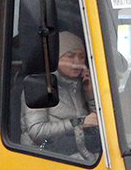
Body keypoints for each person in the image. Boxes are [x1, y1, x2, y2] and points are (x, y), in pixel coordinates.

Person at [20, 31, 100, 161]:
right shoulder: (40, 86)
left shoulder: (80, 86)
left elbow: (98, 128)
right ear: (56, 58)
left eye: (81, 57)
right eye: (70, 56)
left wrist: (90, 95)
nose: (77, 62)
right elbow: (37, 132)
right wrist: (78, 123)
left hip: (79, 157)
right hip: (44, 159)